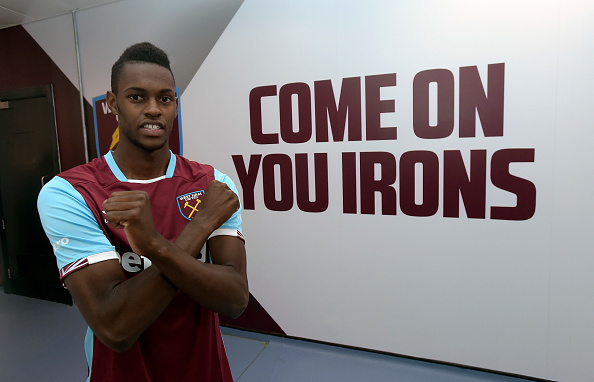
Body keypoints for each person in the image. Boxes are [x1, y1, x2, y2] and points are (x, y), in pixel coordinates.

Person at [37, 42, 248, 381]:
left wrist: (156, 247)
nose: (153, 109)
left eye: (164, 98)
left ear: (175, 106)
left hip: (205, 369)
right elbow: (115, 327)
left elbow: (235, 299)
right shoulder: (70, 193)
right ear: (112, 103)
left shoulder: (212, 183)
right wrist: (190, 229)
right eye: (137, 97)